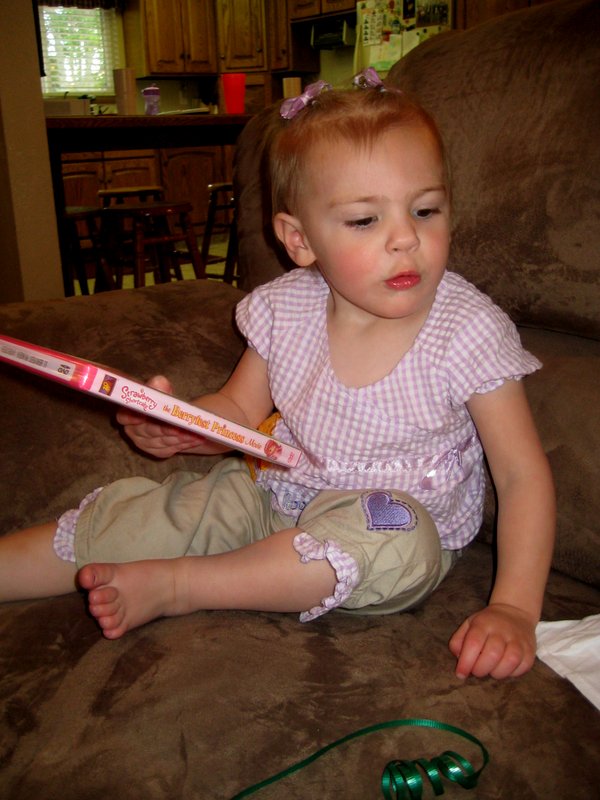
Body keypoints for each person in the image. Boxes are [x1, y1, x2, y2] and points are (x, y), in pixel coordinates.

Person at [0, 70, 555, 681]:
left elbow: (521, 475)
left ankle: (183, 584)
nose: (406, 239)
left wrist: (514, 608)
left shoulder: (468, 329)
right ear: (299, 239)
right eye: (364, 220)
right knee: (171, 511)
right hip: (273, 495)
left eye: (425, 210)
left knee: (399, 542)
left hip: (386, 522)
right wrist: (184, 427)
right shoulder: (284, 310)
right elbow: (238, 411)